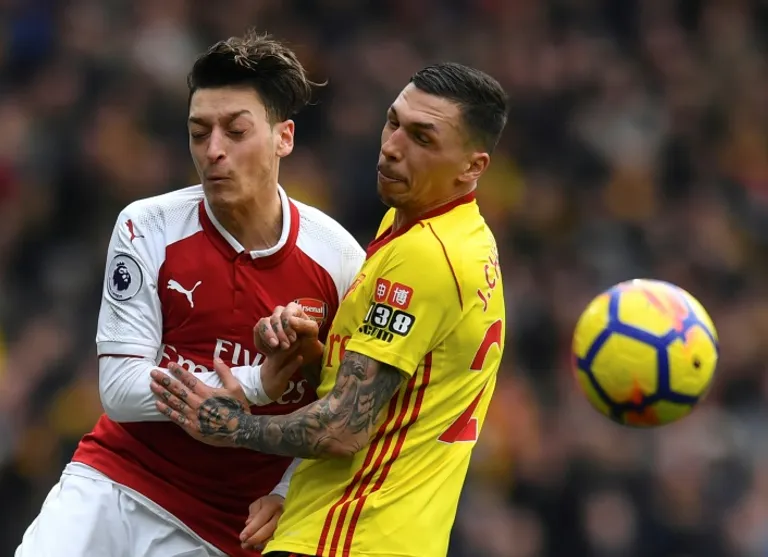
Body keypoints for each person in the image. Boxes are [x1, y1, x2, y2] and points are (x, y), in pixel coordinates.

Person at [15, 30, 365, 557]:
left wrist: (286, 491)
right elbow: (120, 388)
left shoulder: (339, 260)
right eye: (199, 133)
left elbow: (344, 410)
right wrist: (256, 383)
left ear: (284, 138)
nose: (214, 150)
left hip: (226, 527)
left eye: (236, 131)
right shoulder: (146, 226)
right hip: (117, 482)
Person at [153, 61, 509, 557]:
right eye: (393, 122)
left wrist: (232, 425)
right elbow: (394, 392)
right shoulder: (449, 232)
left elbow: (344, 428)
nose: (391, 146)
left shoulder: (425, 256)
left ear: (472, 167)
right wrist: (310, 353)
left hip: (348, 534)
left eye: (422, 138)